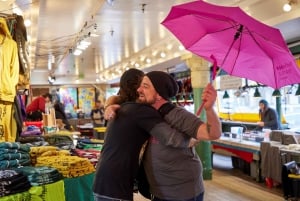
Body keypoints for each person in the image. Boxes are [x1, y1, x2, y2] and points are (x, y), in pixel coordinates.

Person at [104, 71, 221, 201]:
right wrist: (111, 105)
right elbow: (123, 101)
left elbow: (213, 133)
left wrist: (210, 109)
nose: (139, 89)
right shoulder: (143, 112)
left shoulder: (177, 114)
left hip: (183, 193)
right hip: (159, 192)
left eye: (145, 86)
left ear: (159, 95)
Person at [93, 69, 194, 201]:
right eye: (143, 84)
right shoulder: (140, 111)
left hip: (106, 180)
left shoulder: (125, 107)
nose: (142, 88)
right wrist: (192, 138)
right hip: (115, 184)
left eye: (146, 85)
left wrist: (109, 105)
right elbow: (172, 138)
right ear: (137, 88)